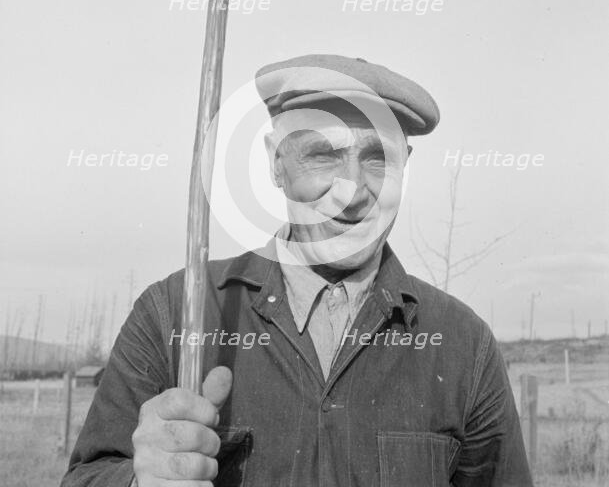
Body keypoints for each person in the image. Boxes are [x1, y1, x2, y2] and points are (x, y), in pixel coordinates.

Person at [61, 55, 532, 487]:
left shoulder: (465, 345)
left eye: (377, 157)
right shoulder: (173, 315)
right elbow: (87, 477)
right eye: (323, 154)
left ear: (405, 166)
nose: (352, 191)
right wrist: (140, 483)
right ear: (276, 164)